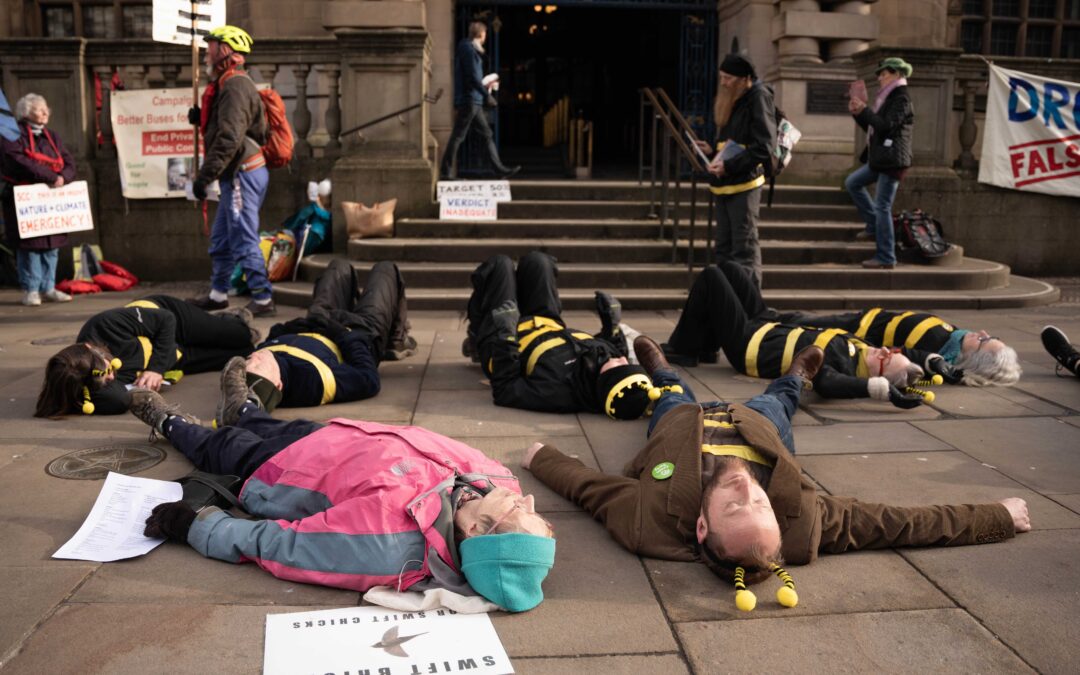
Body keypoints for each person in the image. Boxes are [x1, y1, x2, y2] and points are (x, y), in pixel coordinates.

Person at [524, 336, 1030, 609]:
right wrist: (997, 517)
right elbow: (899, 522)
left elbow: (588, 488)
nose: (747, 488)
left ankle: (662, 369)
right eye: (760, 503)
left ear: (702, 526)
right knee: (777, 400)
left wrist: (540, 457)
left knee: (672, 396)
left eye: (734, 505)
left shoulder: (646, 520)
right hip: (757, 429)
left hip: (684, 427)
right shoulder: (805, 521)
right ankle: (798, 376)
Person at [129, 389, 555, 612]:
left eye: (520, 512)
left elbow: (285, 547)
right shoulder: (494, 485)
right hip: (337, 437)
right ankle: (244, 407)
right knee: (266, 422)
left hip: (281, 470)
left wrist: (194, 525)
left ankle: (169, 422)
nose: (528, 498)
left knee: (220, 444)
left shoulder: (392, 544)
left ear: (476, 531)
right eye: (537, 514)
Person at [659, 262, 959, 409]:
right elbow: (910, 356)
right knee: (733, 270)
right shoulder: (866, 348)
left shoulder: (836, 368)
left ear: (874, 376)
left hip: (749, 343)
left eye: (885, 361)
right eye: (890, 353)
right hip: (769, 323)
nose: (884, 352)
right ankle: (706, 345)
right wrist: (934, 361)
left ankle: (685, 347)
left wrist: (875, 389)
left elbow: (829, 385)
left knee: (712, 276)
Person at [215, 259, 418, 426]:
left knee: (339, 267)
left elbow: (276, 334)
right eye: (257, 367)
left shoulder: (264, 362)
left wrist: (297, 325)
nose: (252, 359)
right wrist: (342, 332)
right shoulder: (311, 381)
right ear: (279, 383)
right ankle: (396, 341)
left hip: (318, 322)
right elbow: (367, 378)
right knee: (385, 270)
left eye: (248, 364)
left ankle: (347, 301)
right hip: (357, 331)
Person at [466, 251, 652, 419]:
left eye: (621, 366)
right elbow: (613, 348)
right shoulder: (608, 360)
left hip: (503, 336)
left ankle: (476, 335)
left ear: (606, 380)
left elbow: (506, 389)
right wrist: (611, 325)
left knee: (500, 265)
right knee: (538, 262)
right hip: (546, 322)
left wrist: (505, 334)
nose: (622, 359)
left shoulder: (559, 392)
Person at [35, 296, 256, 417]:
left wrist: (156, 369)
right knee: (245, 352)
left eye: (108, 369)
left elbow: (166, 320)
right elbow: (118, 400)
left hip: (170, 321)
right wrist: (77, 399)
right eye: (103, 380)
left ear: (89, 347)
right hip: (176, 357)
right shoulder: (84, 380)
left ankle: (228, 318)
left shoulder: (104, 324)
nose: (111, 378)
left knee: (242, 336)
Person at [186, 25, 276, 317]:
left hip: (242, 175)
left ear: (225, 50)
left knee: (243, 236)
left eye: (211, 46)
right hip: (238, 174)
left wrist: (204, 176)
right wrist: (204, 119)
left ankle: (263, 299)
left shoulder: (235, 85)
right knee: (222, 238)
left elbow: (229, 138)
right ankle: (218, 294)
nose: (207, 52)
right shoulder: (231, 82)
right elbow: (246, 129)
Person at [693, 54, 776, 289]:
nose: (724, 83)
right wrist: (711, 151)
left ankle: (750, 307)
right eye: (721, 77)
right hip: (724, 183)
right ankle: (728, 301)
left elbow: (764, 147)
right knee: (724, 248)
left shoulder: (759, 97)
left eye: (728, 78)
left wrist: (728, 165)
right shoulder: (735, 98)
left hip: (744, 183)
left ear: (745, 79)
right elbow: (732, 141)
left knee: (744, 248)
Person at [784, 307, 1021, 386]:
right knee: (793, 319)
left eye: (984, 341)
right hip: (864, 320)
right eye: (990, 335)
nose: (982, 332)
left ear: (971, 360)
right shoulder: (953, 339)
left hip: (853, 332)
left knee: (793, 321)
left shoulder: (937, 349)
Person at [1, 93, 76, 306]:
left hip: (50, 201)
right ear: (27, 112)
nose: (45, 112)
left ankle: (48, 287)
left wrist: (64, 177)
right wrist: (51, 176)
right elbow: (17, 160)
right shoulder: (13, 135)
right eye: (39, 109)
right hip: (26, 199)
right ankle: (31, 289)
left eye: (46, 109)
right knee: (30, 246)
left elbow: (69, 161)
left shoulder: (52, 136)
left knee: (52, 246)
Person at [846, 57, 915, 270]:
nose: (880, 77)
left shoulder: (901, 97)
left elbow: (885, 126)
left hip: (892, 160)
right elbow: (874, 126)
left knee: (883, 206)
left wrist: (865, 110)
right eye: (880, 73)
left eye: (884, 73)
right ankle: (873, 226)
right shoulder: (887, 97)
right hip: (881, 158)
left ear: (897, 74)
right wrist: (859, 114)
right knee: (852, 183)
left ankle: (886, 257)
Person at [439, 21, 520, 180]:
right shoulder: (468, 50)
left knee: (486, 134)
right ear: (481, 35)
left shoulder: (469, 49)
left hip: (473, 101)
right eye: (484, 36)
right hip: (470, 100)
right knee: (459, 136)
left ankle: (498, 169)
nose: (485, 39)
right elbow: (472, 77)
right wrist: (486, 95)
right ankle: (445, 172)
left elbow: (473, 77)